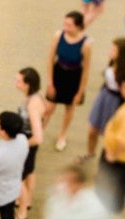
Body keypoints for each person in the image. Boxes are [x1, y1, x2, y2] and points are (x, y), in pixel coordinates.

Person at [42, 11, 92, 151]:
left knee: (69, 108)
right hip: (58, 73)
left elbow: (86, 71)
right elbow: (50, 59)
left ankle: (62, 135)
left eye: (69, 25)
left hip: (73, 77)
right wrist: (50, 82)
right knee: (49, 108)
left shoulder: (86, 44)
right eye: (64, 23)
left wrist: (80, 92)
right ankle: (40, 130)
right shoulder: (59, 35)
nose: (65, 27)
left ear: (78, 26)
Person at [77, 38, 125, 164]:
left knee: (110, 132)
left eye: (114, 49)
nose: (110, 51)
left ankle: (112, 157)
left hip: (116, 102)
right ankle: (90, 153)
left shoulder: (123, 71)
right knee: (92, 129)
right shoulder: (112, 63)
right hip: (104, 96)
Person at [14, 67, 45, 219]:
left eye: (18, 81)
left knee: (17, 177)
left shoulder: (33, 104)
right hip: (28, 143)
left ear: (28, 84)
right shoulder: (36, 95)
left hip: (27, 143)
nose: (15, 83)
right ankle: (27, 201)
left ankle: (22, 213)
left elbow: (38, 137)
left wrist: (20, 144)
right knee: (30, 171)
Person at [95, 79, 125, 213]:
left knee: (107, 194)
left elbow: (122, 140)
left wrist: (113, 155)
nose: (122, 86)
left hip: (116, 160)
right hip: (118, 159)